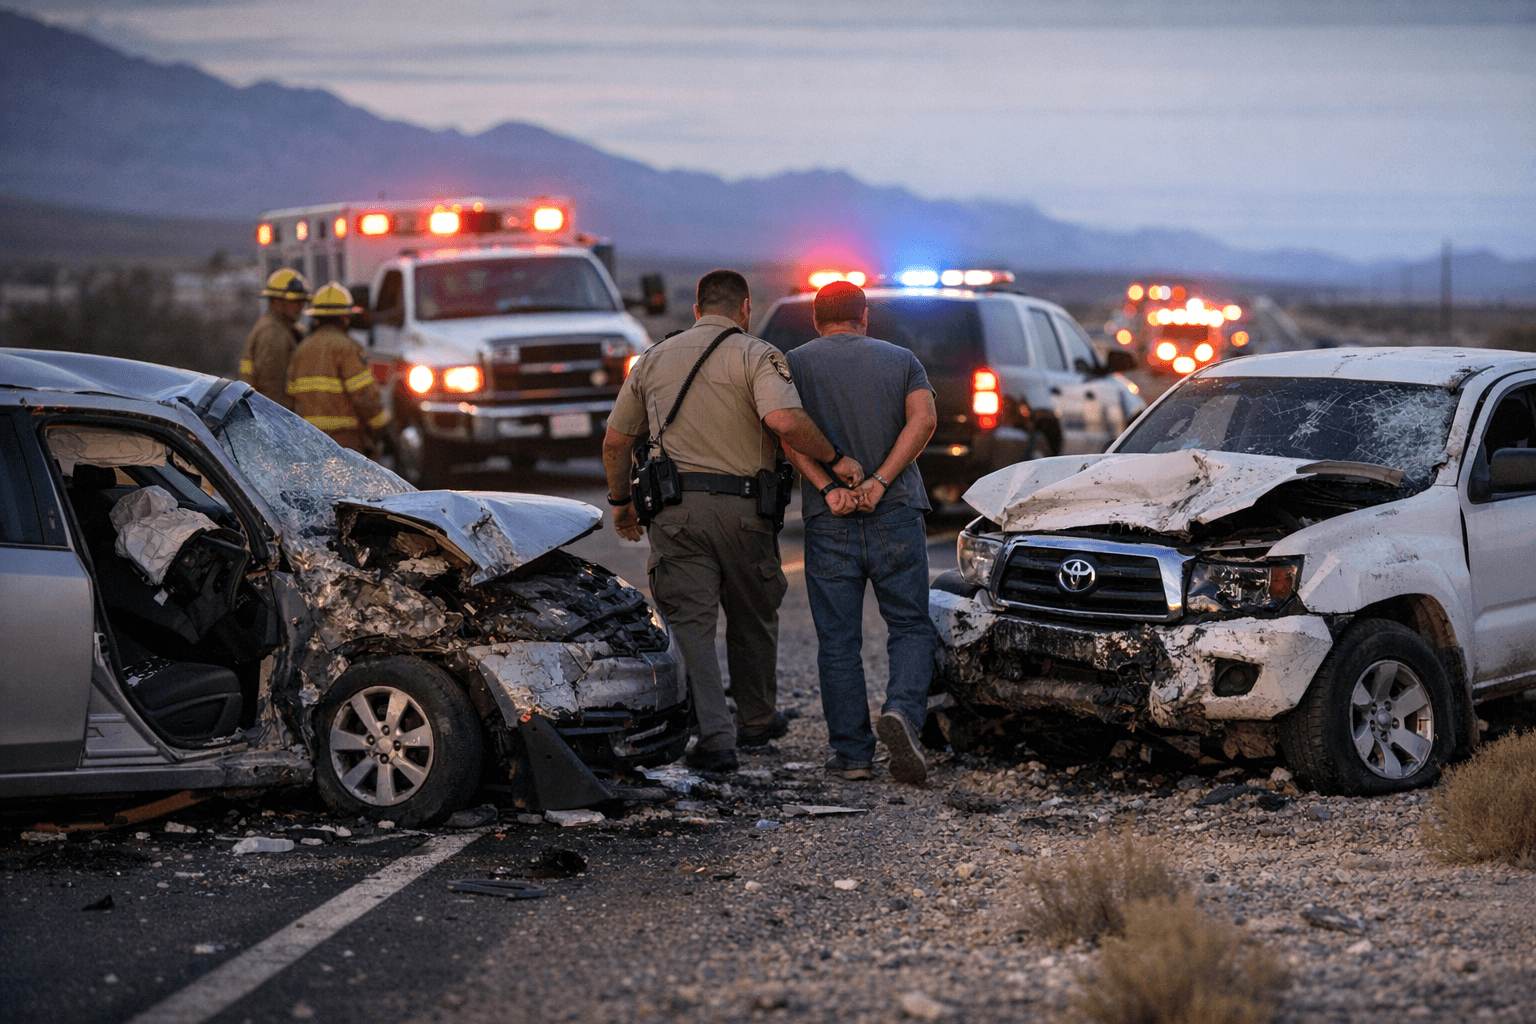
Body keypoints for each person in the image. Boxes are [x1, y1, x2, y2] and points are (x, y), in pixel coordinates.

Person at [602, 269, 860, 773]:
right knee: (753, 616)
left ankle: (716, 739)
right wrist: (833, 456)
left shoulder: (652, 358)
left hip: (675, 515)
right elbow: (784, 421)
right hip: (746, 512)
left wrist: (621, 503)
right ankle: (757, 722)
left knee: (691, 628)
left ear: (697, 310)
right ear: (744, 309)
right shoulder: (757, 355)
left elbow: (616, 442)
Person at [781, 280, 939, 784]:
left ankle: (851, 755)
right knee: (911, 627)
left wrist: (829, 487)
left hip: (831, 521)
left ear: (815, 318)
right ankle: (903, 716)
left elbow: (788, 431)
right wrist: (880, 480)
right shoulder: (901, 359)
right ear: (864, 315)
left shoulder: (795, 363)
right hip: (896, 512)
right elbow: (924, 420)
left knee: (838, 642)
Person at [286, 282, 389, 453]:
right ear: (345, 318)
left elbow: (290, 397)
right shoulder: (347, 348)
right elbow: (364, 396)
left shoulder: (301, 350)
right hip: (345, 443)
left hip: (308, 442)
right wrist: (382, 429)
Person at [240, 269, 310, 409]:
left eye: (302, 301)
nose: (300, 307)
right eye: (294, 301)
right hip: (274, 415)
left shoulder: (278, 327)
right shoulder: (274, 333)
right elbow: (272, 387)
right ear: (277, 301)